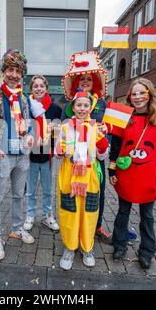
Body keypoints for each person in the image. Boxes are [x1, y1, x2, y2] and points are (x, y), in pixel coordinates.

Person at [109, 78, 156, 269]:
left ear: (149, 94)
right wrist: (111, 169)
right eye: (133, 94)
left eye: (141, 93)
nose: (137, 97)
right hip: (126, 173)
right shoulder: (123, 116)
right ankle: (119, 245)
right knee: (123, 211)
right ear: (129, 97)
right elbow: (116, 147)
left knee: (147, 215)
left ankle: (147, 251)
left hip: (149, 175)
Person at [0, 49, 35, 261]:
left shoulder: (24, 99)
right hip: (2, 155)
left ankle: (17, 228)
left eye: (18, 71)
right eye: (10, 70)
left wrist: (31, 135)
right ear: (3, 71)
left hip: (22, 154)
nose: (14, 75)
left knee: (19, 195)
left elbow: (30, 122)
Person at [61, 50, 113, 245]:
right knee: (71, 204)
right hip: (72, 165)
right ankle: (72, 240)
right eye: (82, 78)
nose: (85, 81)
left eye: (89, 79)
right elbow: (61, 139)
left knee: (94, 198)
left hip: (93, 163)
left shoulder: (103, 105)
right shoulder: (68, 116)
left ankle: (93, 230)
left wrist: (104, 133)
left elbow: (112, 129)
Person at [55, 90, 109, 270]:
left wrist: (103, 146)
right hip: (69, 175)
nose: (82, 108)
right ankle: (70, 248)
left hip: (89, 176)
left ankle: (87, 247)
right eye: (79, 105)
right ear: (73, 107)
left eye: (86, 105)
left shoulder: (97, 128)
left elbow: (102, 157)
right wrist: (61, 150)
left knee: (89, 212)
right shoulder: (64, 127)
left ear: (90, 108)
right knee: (69, 212)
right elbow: (56, 152)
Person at [23, 75, 61, 232]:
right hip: (30, 155)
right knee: (30, 189)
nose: (38, 88)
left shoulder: (55, 108)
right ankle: (30, 215)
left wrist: (53, 135)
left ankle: (48, 215)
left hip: (47, 155)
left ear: (46, 88)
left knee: (47, 189)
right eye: (35, 86)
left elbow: (58, 134)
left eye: (41, 86)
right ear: (31, 89)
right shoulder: (26, 107)